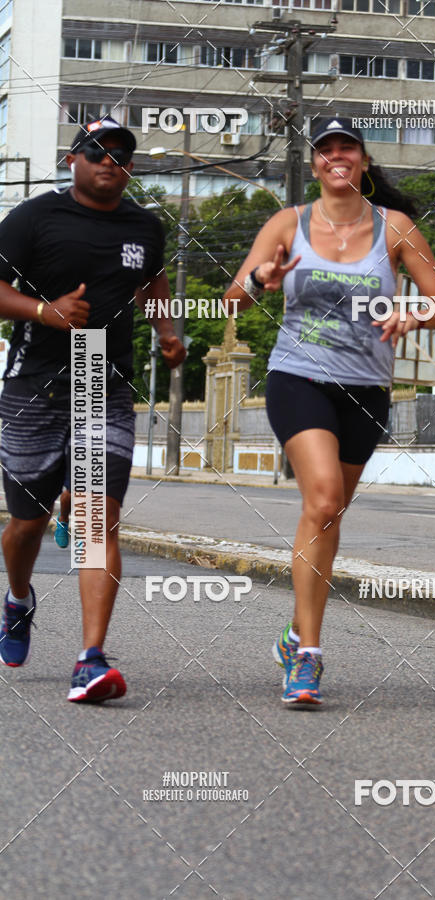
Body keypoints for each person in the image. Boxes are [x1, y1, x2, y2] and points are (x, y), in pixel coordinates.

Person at [224, 116, 435, 706]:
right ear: (317, 162)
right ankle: (309, 656)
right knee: (322, 499)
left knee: (329, 517)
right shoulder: (289, 223)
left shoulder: (394, 228)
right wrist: (261, 276)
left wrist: (413, 316)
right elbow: (235, 297)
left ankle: (296, 629)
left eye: (345, 147)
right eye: (324, 148)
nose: (335, 156)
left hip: (367, 391)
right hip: (298, 377)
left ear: (362, 160)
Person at [0, 117, 185, 701]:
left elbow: (152, 282)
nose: (111, 161)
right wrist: (43, 312)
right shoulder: (34, 217)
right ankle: (18, 598)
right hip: (33, 384)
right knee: (25, 525)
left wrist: (167, 329)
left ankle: (91, 657)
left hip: (101, 380)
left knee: (94, 519)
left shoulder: (145, 226)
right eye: (98, 152)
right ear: (73, 159)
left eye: (122, 156)